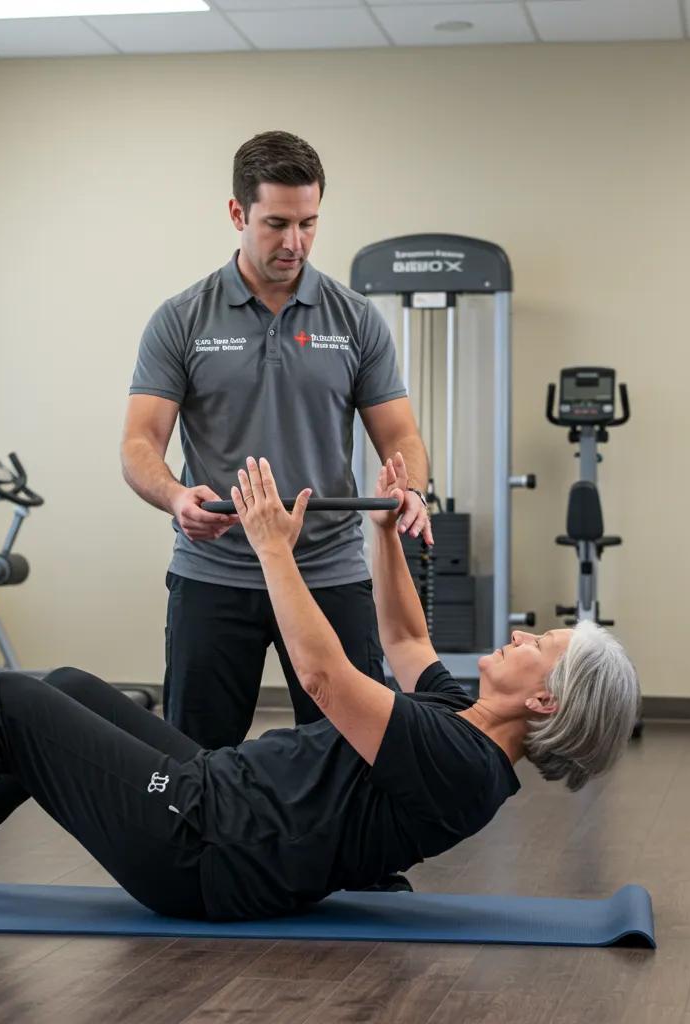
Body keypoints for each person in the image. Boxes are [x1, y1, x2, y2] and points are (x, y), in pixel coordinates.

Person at [0, 455, 639, 923]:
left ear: (547, 703)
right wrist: (394, 523)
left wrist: (273, 546)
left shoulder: (462, 763)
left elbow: (324, 678)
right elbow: (403, 636)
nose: (523, 636)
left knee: (9, 703)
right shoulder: (462, 722)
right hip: (226, 801)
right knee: (72, 687)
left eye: (544, 645)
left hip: (206, 850)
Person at [121, 130, 431, 749]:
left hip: (327, 570)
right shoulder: (182, 318)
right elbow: (138, 444)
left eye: (309, 223)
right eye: (277, 223)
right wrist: (178, 497)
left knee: (352, 753)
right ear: (238, 213)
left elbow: (399, 433)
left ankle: (336, 853)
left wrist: (411, 488)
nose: (295, 242)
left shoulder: (355, 319)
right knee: (194, 759)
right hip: (216, 571)